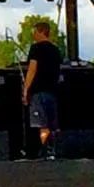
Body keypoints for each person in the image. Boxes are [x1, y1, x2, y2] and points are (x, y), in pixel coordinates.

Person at [22, 21, 63, 159]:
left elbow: (32, 69)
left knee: (42, 124)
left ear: (40, 32)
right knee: (53, 125)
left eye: (35, 32)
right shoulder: (56, 50)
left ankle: (45, 151)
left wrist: (26, 89)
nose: (33, 35)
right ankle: (54, 151)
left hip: (39, 91)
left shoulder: (36, 48)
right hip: (52, 91)